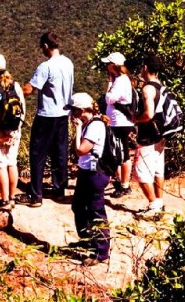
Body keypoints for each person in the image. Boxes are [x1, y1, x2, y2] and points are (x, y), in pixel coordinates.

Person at [17, 32, 74, 207]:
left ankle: (36, 195)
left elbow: (29, 89)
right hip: (64, 114)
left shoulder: (45, 67)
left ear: (46, 46)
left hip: (47, 115)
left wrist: (13, 90)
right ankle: (59, 190)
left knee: (37, 154)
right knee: (60, 153)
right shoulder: (68, 63)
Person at [67, 92, 111, 266]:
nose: (72, 114)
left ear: (82, 110)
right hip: (87, 171)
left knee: (96, 212)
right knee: (78, 206)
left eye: (74, 111)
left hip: (95, 174)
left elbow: (81, 150)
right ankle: (87, 240)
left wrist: (77, 129)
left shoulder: (95, 126)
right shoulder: (89, 123)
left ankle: (101, 251)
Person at [0, 53, 26, 211]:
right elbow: (22, 111)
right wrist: (14, 131)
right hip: (14, 132)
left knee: (1, 166)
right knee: (12, 163)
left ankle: (4, 200)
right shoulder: (15, 85)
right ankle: (13, 198)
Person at [132, 54, 167, 218]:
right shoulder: (162, 86)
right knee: (158, 170)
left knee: (141, 171)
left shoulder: (147, 88)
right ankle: (159, 202)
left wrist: (136, 120)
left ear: (145, 68)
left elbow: (149, 114)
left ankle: (153, 205)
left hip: (148, 136)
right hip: (160, 134)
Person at [102, 52, 135, 198]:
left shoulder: (120, 81)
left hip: (120, 122)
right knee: (118, 151)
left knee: (123, 154)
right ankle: (121, 181)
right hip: (118, 121)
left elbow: (109, 98)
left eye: (108, 64)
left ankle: (125, 185)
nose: (106, 66)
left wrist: (109, 86)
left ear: (113, 65)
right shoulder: (122, 80)